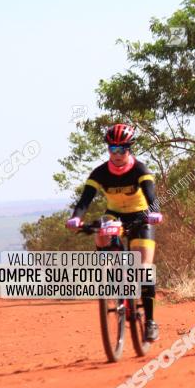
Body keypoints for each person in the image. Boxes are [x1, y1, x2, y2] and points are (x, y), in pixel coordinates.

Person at [66, 124, 164, 341]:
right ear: (108, 149)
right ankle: (109, 274)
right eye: (112, 149)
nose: (117, 154)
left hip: (141, 217)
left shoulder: (141, 170)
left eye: (122, 149)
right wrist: (76, 218)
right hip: (115, 216)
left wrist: (155, 213)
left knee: (144, 269)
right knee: (100, 231)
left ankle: (149, 321)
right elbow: (85, 199)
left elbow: (151, 196)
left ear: (129, 149)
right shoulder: (100, 173)